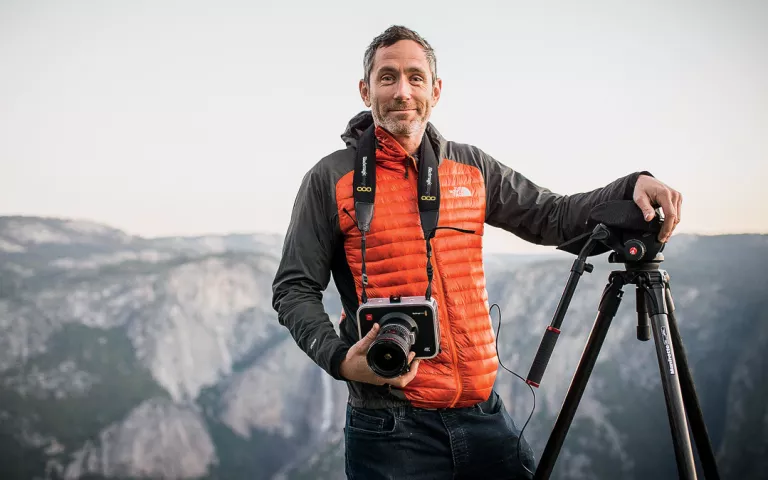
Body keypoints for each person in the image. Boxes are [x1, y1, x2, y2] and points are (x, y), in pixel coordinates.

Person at [271, 25, 682, 480]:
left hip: (483, 413)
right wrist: (340, 359)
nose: (402, 91)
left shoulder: (471, 167)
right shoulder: (330, 178)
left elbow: (553, 217)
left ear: (436, 90)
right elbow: (294, 288)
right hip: (389, 427)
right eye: (387, 77)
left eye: (415, 77)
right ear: (365, 90)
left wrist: (630, 187)